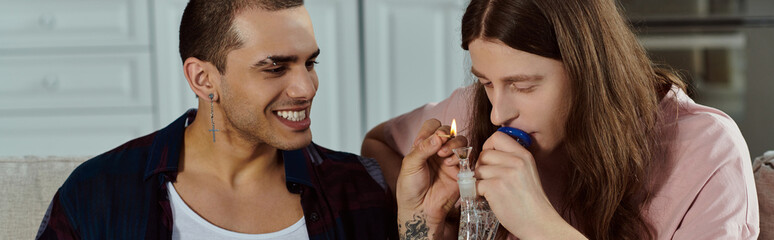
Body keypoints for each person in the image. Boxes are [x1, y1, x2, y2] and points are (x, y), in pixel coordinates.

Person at [362, 0, 759, 239]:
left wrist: (539, 225)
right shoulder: (472, 115)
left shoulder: (707, 149)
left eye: (523, 86)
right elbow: (377, 144)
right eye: (486, 82)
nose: (499, 113)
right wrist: (425, 222)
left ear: (591, 71)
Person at [36, 0, 397, 239]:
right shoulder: (97, 193)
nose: (307, 88)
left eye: (310, 63)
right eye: (275, 68)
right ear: (204, 79)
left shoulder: (359, 188)